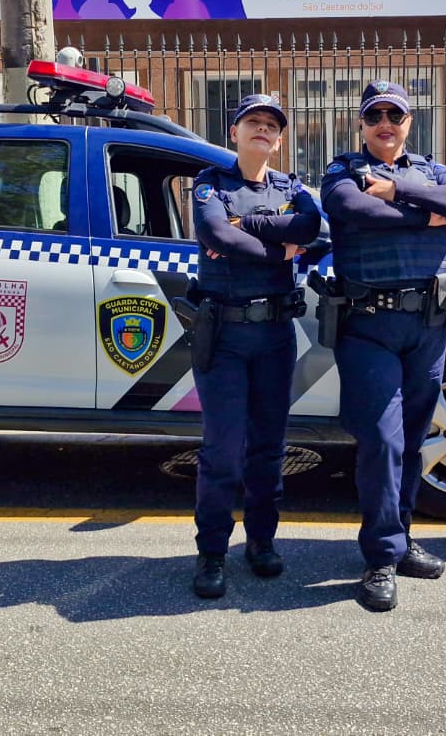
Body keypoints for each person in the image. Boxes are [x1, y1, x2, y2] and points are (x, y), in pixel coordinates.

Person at [319, 81, 446, 611]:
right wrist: (425, 216)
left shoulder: (432, 169)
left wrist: (395, 191)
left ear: (409, 122)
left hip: (428, 328)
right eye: (375, 116)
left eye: (395, 115)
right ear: (361, 124)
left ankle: (402, 536)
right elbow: (354, 211)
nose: (385, 124)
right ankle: (381, 558)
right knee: (382, 442)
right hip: (369, 327)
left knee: (413, 440)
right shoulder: (343, 170)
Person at [188, 94, 321, 599]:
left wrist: (248, 228)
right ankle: (212, 551)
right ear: (235, 133)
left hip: (274, 336)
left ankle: (261, 541)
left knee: (268, 447)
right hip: (224, 335)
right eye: (253, 122)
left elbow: (313, 229)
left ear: (279, 140)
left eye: (271, 124)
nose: (263, 128)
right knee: (223, 450)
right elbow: (214, 233)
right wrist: (282, 251)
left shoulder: (292, 188)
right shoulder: (211, 183)